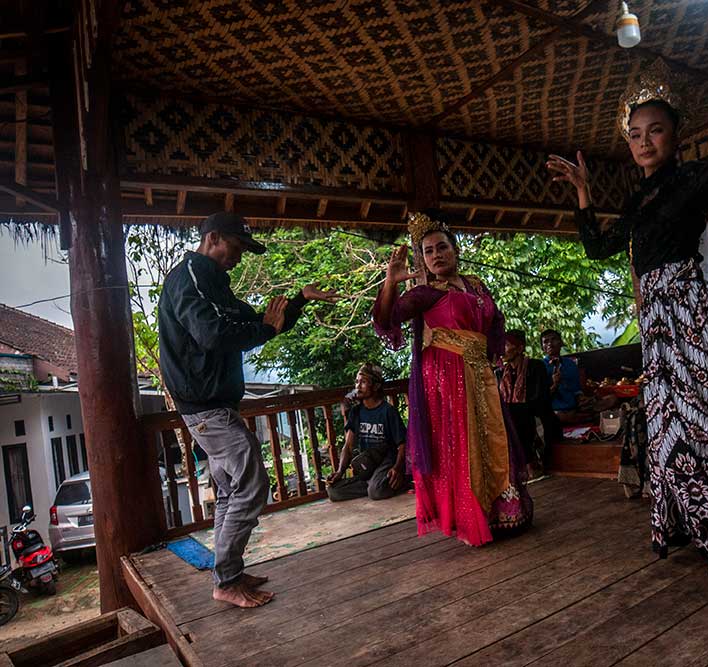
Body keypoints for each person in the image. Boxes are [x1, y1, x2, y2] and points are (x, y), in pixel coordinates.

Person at [548, 52, 708, 596]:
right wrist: (582, 194)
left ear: (675, 135)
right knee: (670, 444)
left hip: (694, 316)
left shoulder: (689, 178)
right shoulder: (636, 196)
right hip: (661, 329)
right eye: (636, 134)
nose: (645, 142)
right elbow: (599, 247)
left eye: (656, 130)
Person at [158, 212, 338, 608]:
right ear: (214, 238)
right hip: (206, 409)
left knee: (229, 491)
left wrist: (298, 301)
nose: (239, 257)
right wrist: (266, 330)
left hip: (215, 406)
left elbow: (257, 320)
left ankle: (229, 573)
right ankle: (226, 581)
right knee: (252, 485)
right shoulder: (190, 276)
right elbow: (213, 334)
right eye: (237, 247)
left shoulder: (212, 283)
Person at [373, 211, 532, 546]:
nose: (436, 255)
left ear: (455, 250)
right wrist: (390, 280)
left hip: (481, 372)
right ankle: (471, 518)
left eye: (441, 247)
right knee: (463, 445)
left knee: (493, 439)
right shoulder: (425, 294)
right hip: (447, 377)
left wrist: (492, 354)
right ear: (424, 260)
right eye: (428, 251)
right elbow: (387, 319)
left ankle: (503, 511)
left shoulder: (475, 284)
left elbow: (496, 321)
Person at [327, 363, 407, 501]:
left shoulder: (387, 411)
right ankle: (375, 484)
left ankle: (394, 481)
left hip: (386, 461)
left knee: (375, 492)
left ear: (375, 386)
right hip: (369, 463)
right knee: (334, 491)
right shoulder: (356, 412)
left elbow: (402, 445)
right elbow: (348, 446)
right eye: (357, 382)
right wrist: (340, 471)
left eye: (363, 382)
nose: (358, 386)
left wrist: (398, 468)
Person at [497, 329, 560, 477]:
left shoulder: (535, 366)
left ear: (520, 348)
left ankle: (530, 463)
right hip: (516, 416)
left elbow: (540, 399)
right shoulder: (501, 372)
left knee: (514, 414)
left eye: (506, 345)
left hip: (537, 416)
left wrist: (514, 408)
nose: (502, 349)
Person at [540, 329, 585, 422]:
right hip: (555, 411)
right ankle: (580, 418)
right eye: (546, 342)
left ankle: (578, 416)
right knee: (558, 416)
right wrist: (555, 385)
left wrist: (582, 399)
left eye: (553, 339)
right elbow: (541, 399)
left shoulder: (570, 364)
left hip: (574, 408)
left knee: (611, 400)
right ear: (542, 347)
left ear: (561, 343)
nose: (550, 344)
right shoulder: (539, 367)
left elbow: (577, 390)